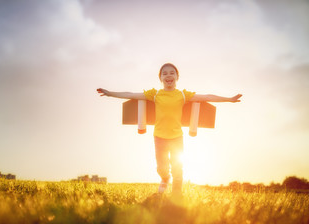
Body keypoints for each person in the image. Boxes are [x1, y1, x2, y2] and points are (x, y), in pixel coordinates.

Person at [97, 63, 242, 196]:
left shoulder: (183, 95)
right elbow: (130, 94)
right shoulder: (155, 94)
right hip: (159, 137)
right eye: (165, 73)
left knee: (178, 169)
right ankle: (165, 178)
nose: (168, 75)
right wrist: (110, 93)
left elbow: (207, 96)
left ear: (177, 77)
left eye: (172, 73)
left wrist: (229, 99)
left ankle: (176, 195)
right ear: (160, 78)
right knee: (161, 168)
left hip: (177, 137)